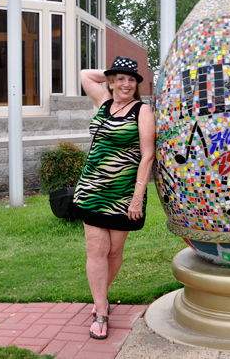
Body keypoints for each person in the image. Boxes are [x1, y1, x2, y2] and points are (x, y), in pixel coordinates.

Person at [74, 56, 155, 340]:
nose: (126, 83)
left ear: (137, 85)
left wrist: (137, 198)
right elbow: (85, 74)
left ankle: (101, 298)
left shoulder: (142, 111)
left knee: (113, 253)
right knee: (96, 250)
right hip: (92, 189)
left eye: (131, 79)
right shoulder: (104, 101)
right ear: (110, 81)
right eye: (120, 78)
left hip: (123, 194)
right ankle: (101, 311)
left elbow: (147, 156)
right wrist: (110, 74)